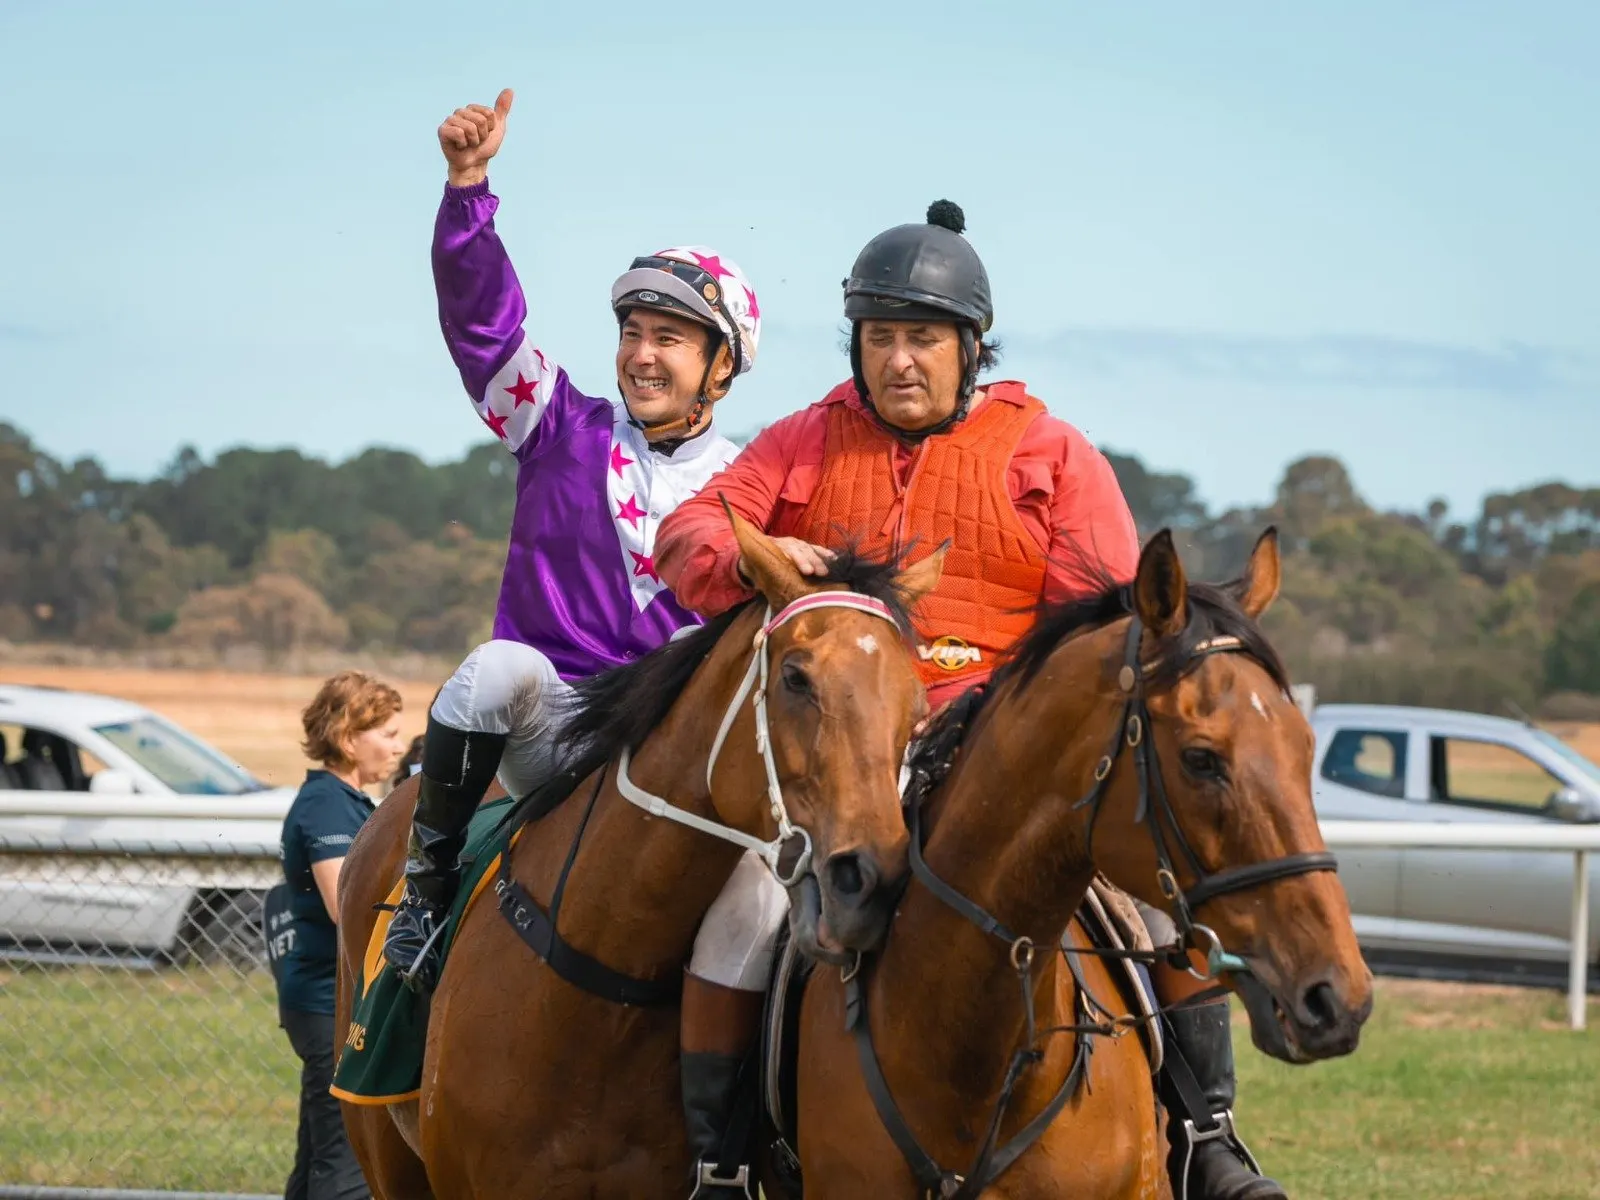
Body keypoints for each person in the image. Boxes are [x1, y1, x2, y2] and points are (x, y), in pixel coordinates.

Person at [656, 202, 1286, 1200]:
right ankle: (723, 1167)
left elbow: (1110, 623)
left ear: (971, 348)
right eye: (880, 339)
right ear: (855, 347)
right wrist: (756, 558)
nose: (900, 362)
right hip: (846, 755)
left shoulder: (1049, 453)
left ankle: (1209, 1141)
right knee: (738, 912)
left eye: (923, 339)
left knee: (1148, 904)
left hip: (1006, 753)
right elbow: (690, 527)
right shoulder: (805, 439)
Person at [377, 88, 780, 1193]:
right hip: (555, 732)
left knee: (769, 898)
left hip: (678, 762)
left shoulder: (761, 487)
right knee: (498, 666)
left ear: (722, 365)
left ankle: (738, 1146)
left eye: (671, 339)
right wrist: (469, 195)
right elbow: (483, 326)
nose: (642, 355)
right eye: (633, 332)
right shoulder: (555, 418)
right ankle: (420, 904)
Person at [277, 670, 407, 1200]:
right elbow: (346, 909)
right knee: (345, 1162)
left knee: (316, 1154)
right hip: (328, 1002)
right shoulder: (328, 807)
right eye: (388, 733)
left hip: (326, 997)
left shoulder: (346, 801)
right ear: (349, 738)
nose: (398, 746)